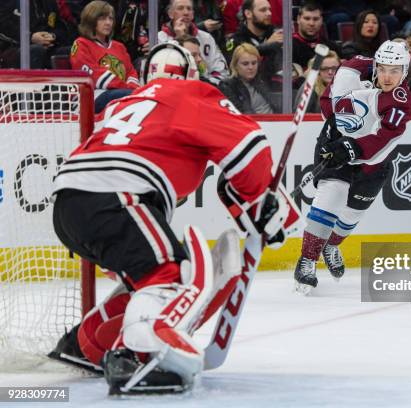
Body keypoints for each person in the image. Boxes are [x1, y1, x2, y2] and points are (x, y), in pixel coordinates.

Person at [49, 42, 297, 394]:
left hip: (70, 203)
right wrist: (261, 202)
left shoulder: (124, 102)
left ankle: (87, 346)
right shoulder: (191, 92)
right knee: (174, 276)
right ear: (189, 74)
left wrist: (251, 205)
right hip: (115, 195)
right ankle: (145, 357)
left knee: (146, 277)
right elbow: (249, 144)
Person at [293, 40, 411, 293]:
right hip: (336, 144)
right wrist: (338, 132)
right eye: (382, 69)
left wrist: (354, 148)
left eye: (394, 70)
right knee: (330, 197)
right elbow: (329, 100)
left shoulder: (401, 101)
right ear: (375, 65)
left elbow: (385, 137)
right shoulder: (352, 71)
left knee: (352, 212)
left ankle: (332, 245)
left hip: (373, 160)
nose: (387, 76)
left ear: (404, 70)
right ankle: (307, 260)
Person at [70, 1, 139, 113]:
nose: (108, 23)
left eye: (110, 19)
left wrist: (132, 87)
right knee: (134, 96)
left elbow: (131, 72)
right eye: (102, 19)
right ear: (91, 20)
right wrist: (128, 89)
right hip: (88, 97)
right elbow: (93, 75)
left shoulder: (119, 46)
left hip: (121, 92)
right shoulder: (81, 44)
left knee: (141, 96)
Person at [158, 0, 229, 85]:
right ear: (170, 14)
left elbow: (221, 72)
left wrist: (205, 86)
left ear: (193, 14)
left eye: (189, 9)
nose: (186, 12)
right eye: (180, 8)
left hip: (205, 89)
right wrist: (180, 37)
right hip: (172, 89)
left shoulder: (206, 38)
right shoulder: (159, 39)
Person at [0, 0, 77, 69]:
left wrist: (52, 36)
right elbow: (4, 28)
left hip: (48, 48)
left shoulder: (49, 2)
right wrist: (30, 37)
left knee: (74, 50)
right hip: (14, 49)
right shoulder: (7, 2)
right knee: (36, 50)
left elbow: (60, 28)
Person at [224, 0, 283, 88]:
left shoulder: (276, 34)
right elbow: (236, 65)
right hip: (247, 91)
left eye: (269, 9)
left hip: (277, 89)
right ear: (248, 14)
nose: (269, 13)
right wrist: (267, 46)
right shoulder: (236, 40)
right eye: (263, 10)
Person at [218, 43, 279, 113]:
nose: (251, 67)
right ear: (235, 65)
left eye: (254, 63)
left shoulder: (262, 80)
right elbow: (240, 114)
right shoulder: (227, 86)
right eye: (245, 64)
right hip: (254, 122)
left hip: (276, 121)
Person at [292, 2, 342, 71]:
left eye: (316, 19)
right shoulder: (288, 47)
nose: (311, 23)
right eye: (307, 18)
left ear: (321, 20)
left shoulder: (332, 47)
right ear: (298, 19)